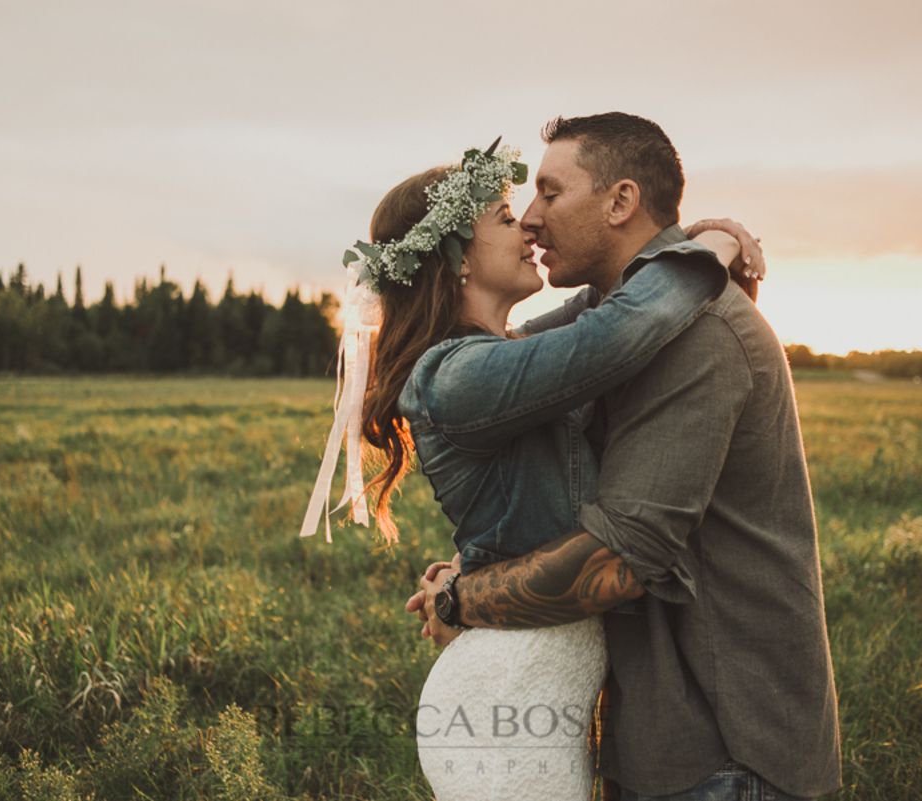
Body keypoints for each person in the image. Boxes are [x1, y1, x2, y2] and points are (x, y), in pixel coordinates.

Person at [301, 133, 761, 800]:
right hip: (507, 692)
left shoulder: (500, 353)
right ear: (456, 258)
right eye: (506, 219)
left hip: (538, 680)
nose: (529, 232)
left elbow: (603, 308)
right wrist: (714, 248)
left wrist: (704, 233)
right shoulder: (454, 375)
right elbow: (615, 332)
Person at [409, 113, 842, 800]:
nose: (530, 218)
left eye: (550, 193)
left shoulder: (696, 332)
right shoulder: (615, 325)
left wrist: (465, 596)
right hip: (657, 738)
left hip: (725, 747)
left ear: (620, 201)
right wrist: (715, 241)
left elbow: (619, 560)